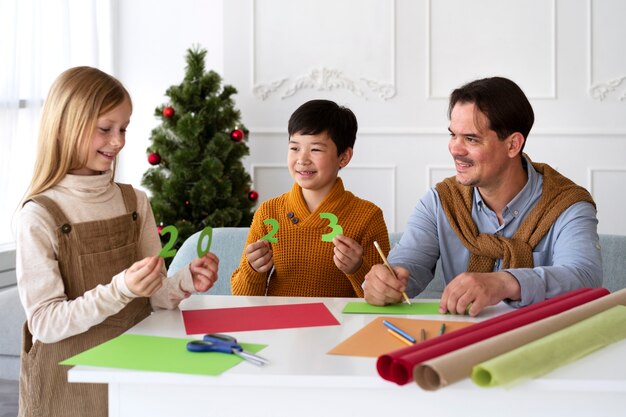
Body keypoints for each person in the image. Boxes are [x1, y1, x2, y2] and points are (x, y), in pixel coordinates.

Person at [15, 66, 219, 417]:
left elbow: (153, 299)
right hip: (68, 384)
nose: (119, 141)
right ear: (65, 128)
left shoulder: (134, 202)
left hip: (135, 372)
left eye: (123, 128)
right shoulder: (39, 215)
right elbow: (45, 324)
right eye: (105, 129)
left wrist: (184, 281)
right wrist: (121, 288)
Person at [364, 76, 602, 316]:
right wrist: (384, 283)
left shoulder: (568, 205)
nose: (455, 149)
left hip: (546, 341)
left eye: (470, 139)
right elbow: (406, 265)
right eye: (452, 135)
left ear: (513, 145)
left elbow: (584, 277)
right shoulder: (440, 202)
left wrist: (504, 282)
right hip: (461, 343)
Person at [231, 99, 389, 297]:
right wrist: (253, 269)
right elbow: (241, 298)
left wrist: (357, 269)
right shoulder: (269, 212)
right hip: (279, 325)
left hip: (340, 327)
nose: (302, 159)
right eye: (294, 148)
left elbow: (383, 299)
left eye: (315, 149)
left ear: (344, 157)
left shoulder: (368, 217)